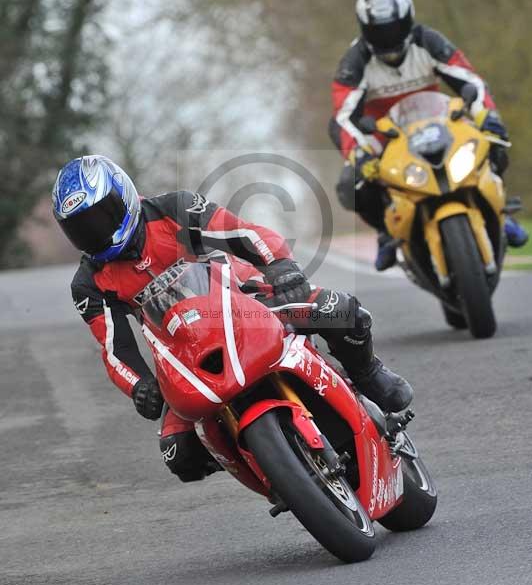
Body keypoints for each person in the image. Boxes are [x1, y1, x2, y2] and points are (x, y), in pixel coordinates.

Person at [52, 155, 413, 482]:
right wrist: (140, 385)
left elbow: (244, 232)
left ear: (124, 196)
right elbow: (115, 349)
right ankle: (272, 469)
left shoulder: (173, 209)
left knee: (341, 311)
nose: (95, 233)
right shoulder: (89, 283)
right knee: (178, 454)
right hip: (185, 355)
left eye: (101, 217)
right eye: (81, 229)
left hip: (250, 303)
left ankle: (368, 375)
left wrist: (280, 265)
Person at [330, 0, 528, 271]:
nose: (388, 38)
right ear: (364, 28)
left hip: (439, 123)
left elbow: (469, 80)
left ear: (408, 19)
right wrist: (359, 153)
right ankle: (387, 233)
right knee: (352, 184)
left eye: (394, 28)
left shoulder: (429, 41)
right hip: (386, 138)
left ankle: (497, 209)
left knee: (492, 140)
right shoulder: (354, 62)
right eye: (379, 31)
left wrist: (486, 114)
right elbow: (343, 116)